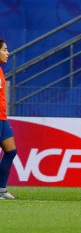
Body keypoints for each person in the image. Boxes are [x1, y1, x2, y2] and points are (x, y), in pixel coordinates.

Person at [0, 39, 17, 200]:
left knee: (11, 151)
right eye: (5, 49)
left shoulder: (0, 70)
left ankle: (1, 190)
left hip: (2, 118)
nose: (8, 53)